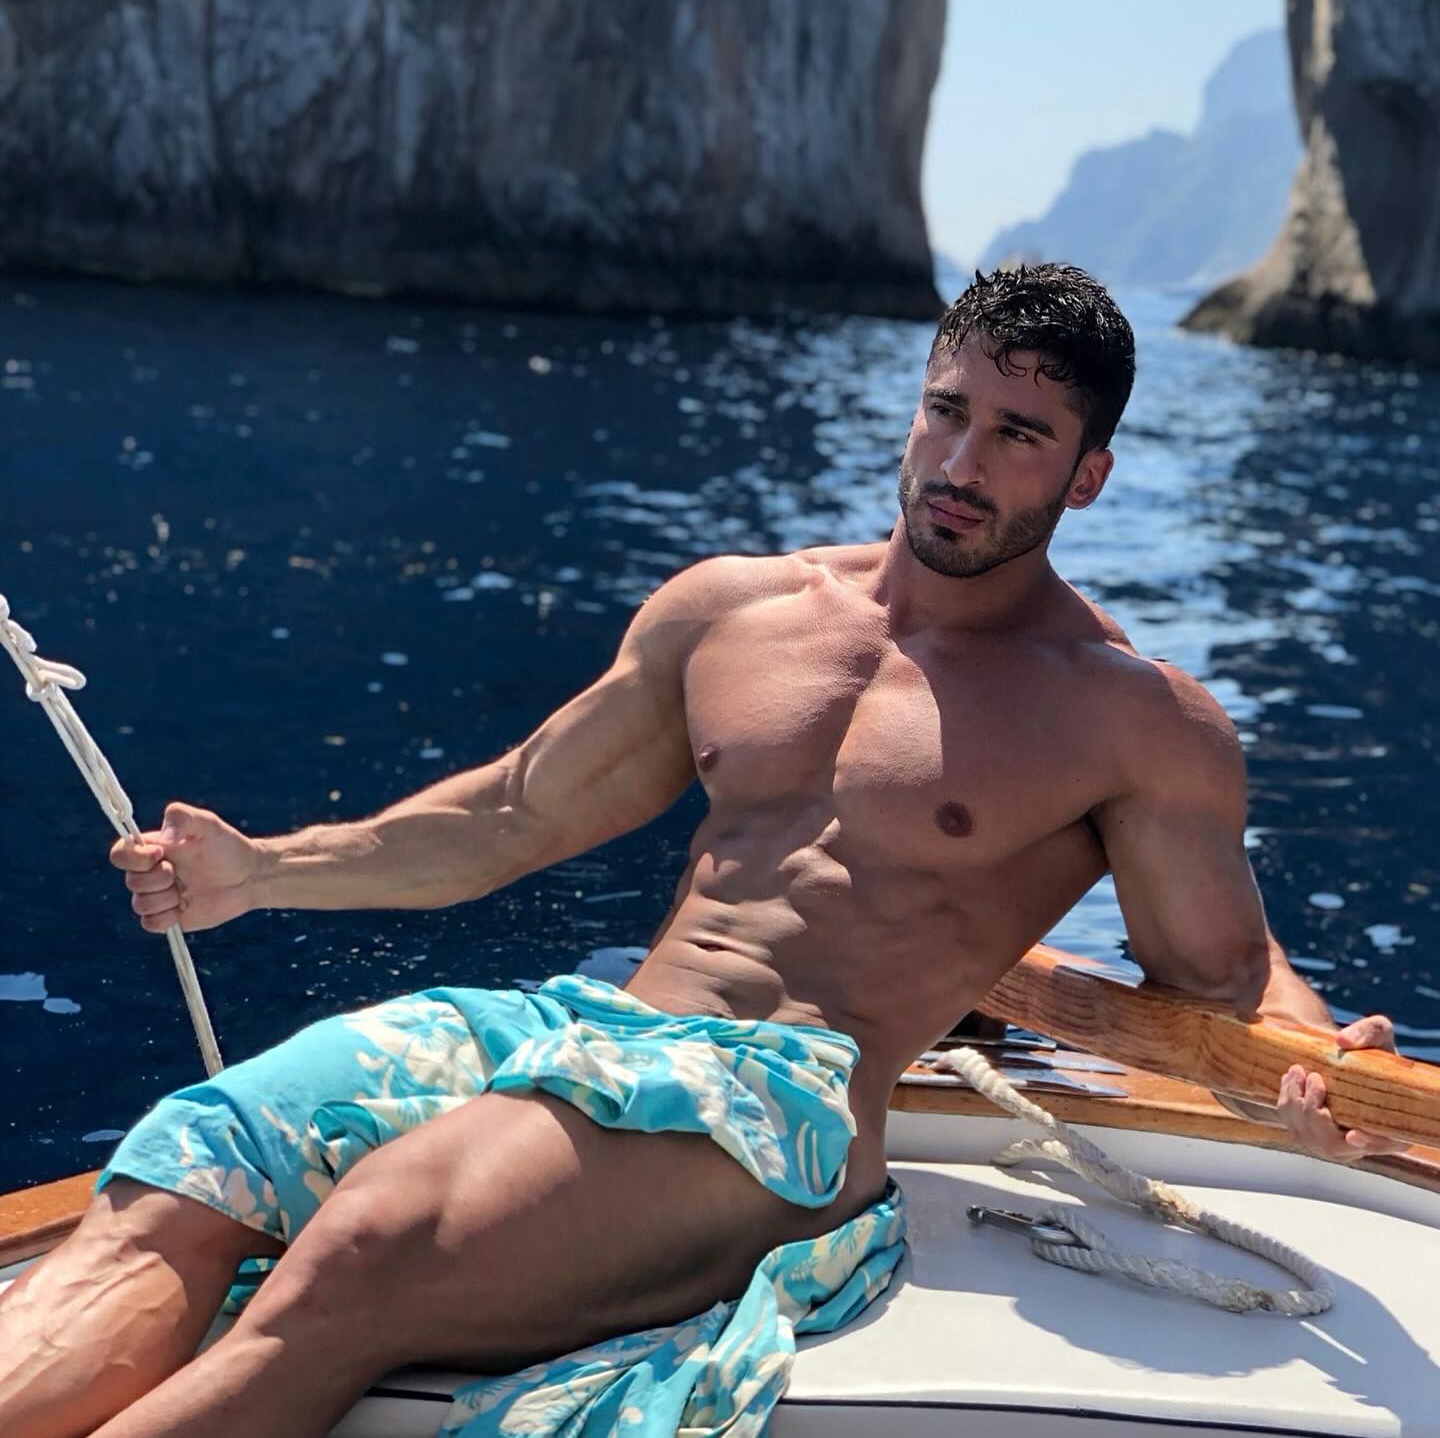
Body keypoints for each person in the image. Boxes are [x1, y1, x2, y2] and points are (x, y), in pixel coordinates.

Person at [1, 264, 1400, 1438]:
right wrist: (263, 869)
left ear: (1088, 476)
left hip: (777, 1106)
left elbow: (1224, 970)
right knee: (186, 1168)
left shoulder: (1132, 720)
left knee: (370, 1246)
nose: (960, 465)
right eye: (947, 411)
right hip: (587, 1033)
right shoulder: (737, 611)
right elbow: (514, 812)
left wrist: (1316, 1070)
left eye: (1018, 437)